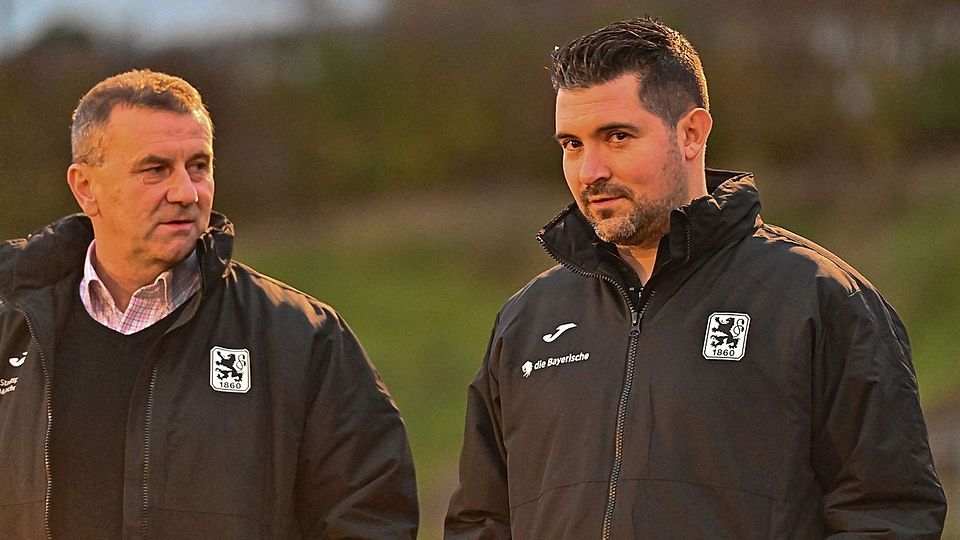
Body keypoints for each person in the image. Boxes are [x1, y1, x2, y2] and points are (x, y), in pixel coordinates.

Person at [445, 17, 946, 539]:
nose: (589, 169)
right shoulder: (527, 320)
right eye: (571, 144)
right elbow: (482, 522)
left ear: (691, 133)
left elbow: (889, 516)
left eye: (617, 137)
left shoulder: (820, 301)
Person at [0, 69, 418, 538]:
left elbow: (370, 516)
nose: (186, 192)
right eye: (155, 169)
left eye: (198, 166)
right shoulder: (10, 330)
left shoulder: (302, 338)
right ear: (85, 187)